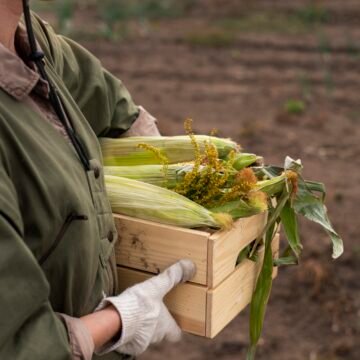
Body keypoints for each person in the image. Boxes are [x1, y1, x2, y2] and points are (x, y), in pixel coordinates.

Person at [0, 1, 196, 359]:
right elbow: (15, 347)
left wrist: (186, 177)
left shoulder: (27, 39)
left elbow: (107, 100)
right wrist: (121, 319)